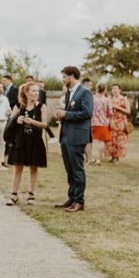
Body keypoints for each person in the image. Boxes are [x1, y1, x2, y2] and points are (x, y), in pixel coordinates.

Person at [54, 66, 93, 212]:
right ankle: (71, 197)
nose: (63, 80)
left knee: (77, 170)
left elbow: (87, 113)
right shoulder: (70, 93)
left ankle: (79, 201)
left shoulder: (85, 92)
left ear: (71, 76)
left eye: (64, 77)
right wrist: (62, 116)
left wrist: (66, 115)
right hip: (66, 135)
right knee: (69, 169)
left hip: (77, 136)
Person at [5, 82, 48, 206]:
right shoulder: (18, 106)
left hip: (35, 140)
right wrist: (17, 120)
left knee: (33, 168)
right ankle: (14, 195)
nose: (36, 93)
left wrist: (32, 121)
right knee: (18, 168)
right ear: (26, 92)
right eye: (33, 91)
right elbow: (10, 123)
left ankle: (31, 194)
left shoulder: (42, 106)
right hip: (21, 140)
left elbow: (44, 124)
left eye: (37, 91)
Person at [106, 83, 131, 163]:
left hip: (121, 121)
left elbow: (128, 111)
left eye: (116, 89)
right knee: (112, 139)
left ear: (120, 90)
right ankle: (112, 156)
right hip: (112, 121)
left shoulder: (124, 99)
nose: (115, 90)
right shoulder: (110, 99)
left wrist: (118, 107)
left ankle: (117, 157)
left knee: (119, 140)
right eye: (113, 89)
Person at [90, 83, 112, 165]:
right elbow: (110, 112)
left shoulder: (91, 98)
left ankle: (90, 157)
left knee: (90, 141)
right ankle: (98, 159)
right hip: (103, 122)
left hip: (92, 122)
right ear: (105, 90)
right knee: (101, 141)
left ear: (96, 89)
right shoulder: (107, 100)